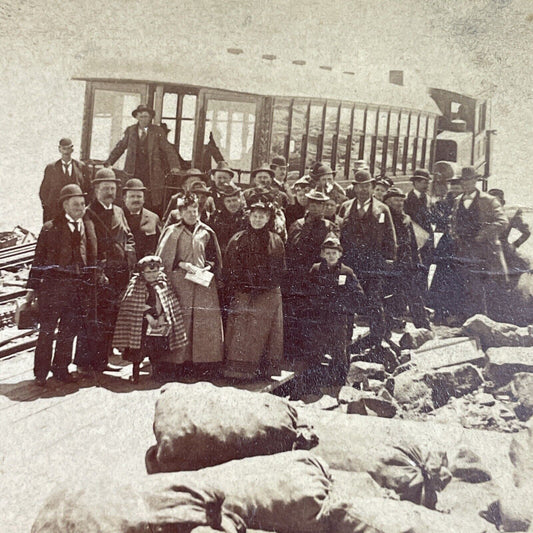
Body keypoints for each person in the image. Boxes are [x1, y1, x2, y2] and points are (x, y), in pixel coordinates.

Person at [26, 184, 98, 386]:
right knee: (47, 331)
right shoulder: (51, 227)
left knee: (69, 331)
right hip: (53, 289)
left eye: (83, 204)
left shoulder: (88, 225)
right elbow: (38, 260)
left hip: (78, 289)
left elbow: (93, 255)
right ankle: (40, 373)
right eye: (76, 204)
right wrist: (32, 290)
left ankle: (61, 369)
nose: (80, 208)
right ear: (65, 205)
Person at [157, 193, 224, 369]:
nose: (192, 215)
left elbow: (213, 256)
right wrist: (182, 263)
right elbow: (164, 258)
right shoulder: (173, 231)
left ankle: (202, 362)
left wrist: (207, 267)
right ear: (180, 213)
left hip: (203, 283)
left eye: (194, 211)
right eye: (188, 211)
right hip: (180, 283)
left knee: (203, 321)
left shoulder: (206, 232)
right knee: (182, 320)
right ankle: (178, 362)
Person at [79, 168, 136, 373]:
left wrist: (130, 259)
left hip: (119, 273)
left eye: (112, 188)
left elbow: (128, 236)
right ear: (96, 190)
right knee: (94, 318)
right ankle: (85, 364)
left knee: (111, 317)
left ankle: (102, 361)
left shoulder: (119, 211)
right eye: (105, 188)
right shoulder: (89, 213)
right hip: (99, 274)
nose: (109, 192)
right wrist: (97, 270)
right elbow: (88, 244)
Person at [223, 198, 286, 380]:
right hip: (243, 291)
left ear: (268, 219)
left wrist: (264, 284)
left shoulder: (275, 241)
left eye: (262, 217)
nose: (258, 220)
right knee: (242, 329)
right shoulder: (238, 238)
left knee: (263, 330)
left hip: (266, 292)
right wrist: (242, 284)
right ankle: (238, 371)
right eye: (255, 216)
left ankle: (263, 370)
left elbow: (280, 267)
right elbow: (230, 265)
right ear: (249, 217)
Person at [340, 170, 397, 346]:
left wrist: (389, 260)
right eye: (359, 186)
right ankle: (345, 340)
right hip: (351, 263)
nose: (363, 190)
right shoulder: (346, 207)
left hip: (373, 263)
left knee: (374, 301)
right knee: (348, 301)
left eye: (367, 186)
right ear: (354, 188)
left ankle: (377, 341)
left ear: (372, 187)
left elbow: (390, 237)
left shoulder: (382, 209)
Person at [113, 256, 187, 383]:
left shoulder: (163, 282)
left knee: (156, 349)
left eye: (155, 271)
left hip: (159, 322)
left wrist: (163, 316)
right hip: (142, 324)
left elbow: (169, 301)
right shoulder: (137, 284)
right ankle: (135, 374)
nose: (152, 275)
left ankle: (155, 373)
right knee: (138, 351)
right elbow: (131, 303)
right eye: (148, 272)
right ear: (142, 272)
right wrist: (148, 316)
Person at [285, 190, 339, 358]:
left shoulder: (329, 226)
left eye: (321, 205)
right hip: (299, 276)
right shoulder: (298, 225)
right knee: (298, 313)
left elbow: (333, 251)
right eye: (313, 205)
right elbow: (294, 248)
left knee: (319, 314)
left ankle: (318, 351)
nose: (317, 209)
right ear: (308, 206)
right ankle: (295, 350)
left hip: (320, 276)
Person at [450, 166, 508, 320]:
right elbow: (453, 222)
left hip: (485, 251)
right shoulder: (457, 200)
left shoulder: (488, 200)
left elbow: (502, 221)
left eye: (469, 180)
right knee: (465, 285)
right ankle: (470, 321)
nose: (466, 183)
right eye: (463, 180)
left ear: (476, 180)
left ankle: (486, 323)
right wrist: (455, 235)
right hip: (464, 251)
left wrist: (483, 234)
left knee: (485, 287)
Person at [104, 104, 181, 214]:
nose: (143, 119)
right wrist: (109, 163)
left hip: (151, 172)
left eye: (146, 116)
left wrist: (175, 166)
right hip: (133, 172)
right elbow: (120, 147)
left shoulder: (157, 131)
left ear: (150, 118)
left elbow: (168, 149)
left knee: (150, 199)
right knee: (132, 195)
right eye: (141, 116)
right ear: (137, 117)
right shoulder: (130, 131)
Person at [307, 237, 364, 385]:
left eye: (334, 253)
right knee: (316, 347)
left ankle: (339, 381)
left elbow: (358, 294)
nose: (331, 256)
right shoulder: (316, 269)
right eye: (328, 253)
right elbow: (308, 289)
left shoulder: (346, 272)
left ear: (340, 254)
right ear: (323, 254)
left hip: (339, 317)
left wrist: (347, 309)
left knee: (340, 349)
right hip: (320, 316)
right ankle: (315, 380)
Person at [383, 187, 431, 330]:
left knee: (414, 295)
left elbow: (413, 244)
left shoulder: (406, 219)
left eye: (401, 200)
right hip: (389, 265)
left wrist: (418, 263)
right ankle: (391, 325)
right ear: (387, 202)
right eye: (395, 200)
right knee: (388, 297)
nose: (399, 203)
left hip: (406, 265)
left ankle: (423, 326)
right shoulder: (383, 218)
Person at [428, 177, 464, 324]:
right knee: (441, 278)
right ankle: (439, 311)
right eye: (452, 187)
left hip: (459, 246)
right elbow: (436, 221)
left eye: (457, 187)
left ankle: (453, 312)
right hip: (447, 245)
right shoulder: (443, 203)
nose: (454, 190)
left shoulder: (463, 203)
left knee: (456, 280)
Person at [39, 138, 90, 223]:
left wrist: (81, 207)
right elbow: (43, 191)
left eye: (68, 148)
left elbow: (88, 189)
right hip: (55, 213)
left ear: (72, 149)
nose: (66, 152)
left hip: (75, 213)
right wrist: (49, 208)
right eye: (64, 149)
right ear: (59, 149)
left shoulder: (81, 167)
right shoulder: (51, 168)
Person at [404, 169, 435, 292]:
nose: (427, 186)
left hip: (427, 241)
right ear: (415, 183)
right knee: (414, 270)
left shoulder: (428, 199)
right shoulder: (406, 199)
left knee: (426, 269)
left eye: (427, 183)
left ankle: (423, 296)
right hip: (413, 240)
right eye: (424, 182)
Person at [122, 178, 161, 259]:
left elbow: (160, 243)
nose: (136, 199)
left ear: (143, 199)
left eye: (139, 196)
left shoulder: (153, 218)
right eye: (132, 196)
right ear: (124, 198)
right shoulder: (117, 216)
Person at [209, 182, 248, 253]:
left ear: (240, 200)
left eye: (234, 200)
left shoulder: (247, 218)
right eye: (228, 201)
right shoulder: (216, 218)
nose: (232, 204)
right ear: (223, 203)